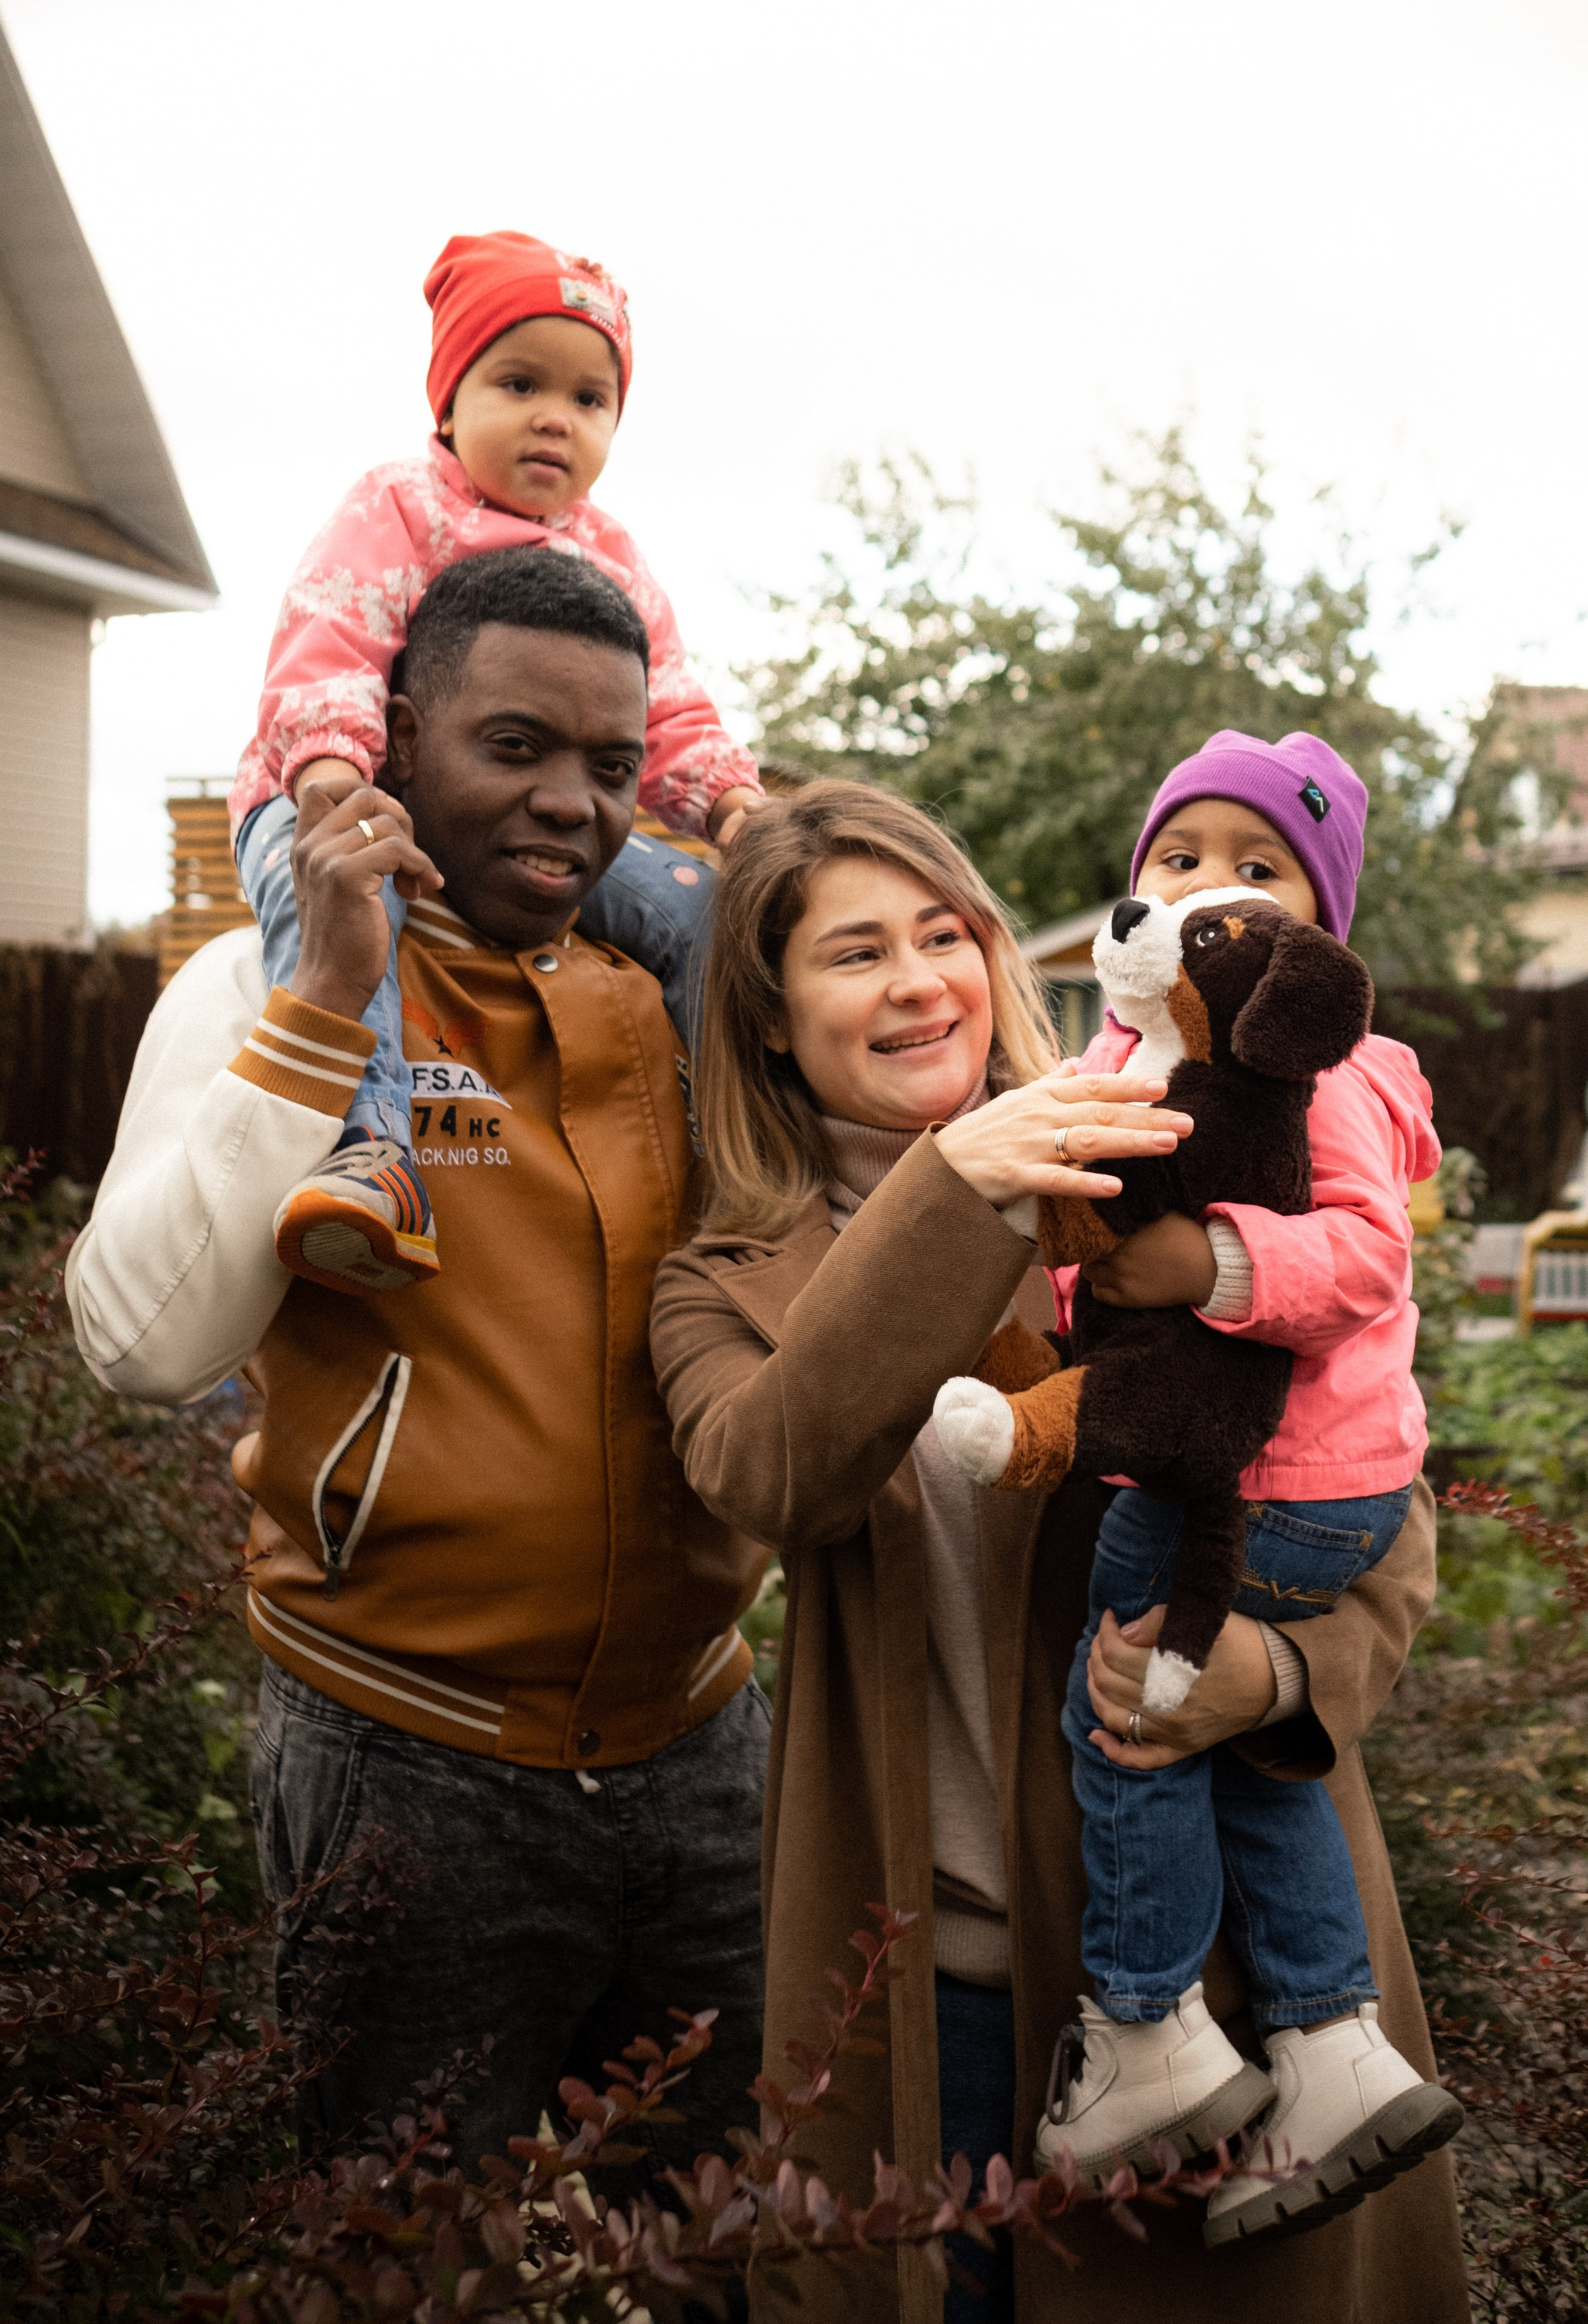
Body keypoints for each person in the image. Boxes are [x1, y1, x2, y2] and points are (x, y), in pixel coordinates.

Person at [647, 781, 1467, 2324]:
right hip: (919, 1992)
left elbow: (1378, 1503)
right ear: (769, 1017)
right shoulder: (725, 1284)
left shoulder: (1169, 1158)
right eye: (853, 952)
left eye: (944, 935)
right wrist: (956, 1193)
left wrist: (1274, 1674)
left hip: (1214, 1984)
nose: (916, 981)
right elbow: (777, 1474)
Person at [67, 547, 771, 2171]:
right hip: (404, 1762)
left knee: (738, 2253)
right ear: (390, 744)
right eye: (510, 747)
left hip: (702, 1755)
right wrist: (326, 995)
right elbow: (137, 1345)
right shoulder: (257, 981)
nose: (568, 806)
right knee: (396, 2264)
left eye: (609, 766)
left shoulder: (686, 999)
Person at [1009, 729, 1459, 2241]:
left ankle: (1144, 2035)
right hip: (1300, 1472)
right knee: (1233, 1744)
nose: (1207, 889)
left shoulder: (1308, 1064)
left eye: (1256, 869)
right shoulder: (1151, 1057)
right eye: (1177, 859)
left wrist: (1202, 1262)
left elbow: (1363, 1254)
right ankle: (1330, 2049)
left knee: (1126, 1705)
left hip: (1277, 1477)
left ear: (1318, 929)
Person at [229, 229, 764, 1297]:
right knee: (345, 904)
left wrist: (735, 806)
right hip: (334, 794)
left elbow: (667, 708)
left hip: (521, 821)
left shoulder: (609, 551)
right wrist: (334, 769)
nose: (556, 417)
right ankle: (374, 1153)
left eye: (591, 399)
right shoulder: (399, 506)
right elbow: (327, 639)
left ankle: (733, 1143)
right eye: (519, 383)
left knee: (707, 909)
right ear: (450, 397)